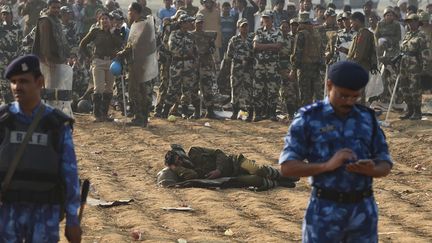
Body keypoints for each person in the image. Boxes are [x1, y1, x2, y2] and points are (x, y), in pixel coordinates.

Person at [279, 61, 393, 243]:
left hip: (362, 211)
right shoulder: (309, 118)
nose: (349, 102)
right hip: (324, 211)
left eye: (354, 97)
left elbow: (385, 164)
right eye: (344, 96)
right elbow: (287, 168)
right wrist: (326, 166)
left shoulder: (367, 118)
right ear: (329, 85)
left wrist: (372, 169)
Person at [0, 55, 81, 242]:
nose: (17, 87)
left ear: (40, 82)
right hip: (8, 211)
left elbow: (69, 172)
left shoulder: (56, 124)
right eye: (13, 82)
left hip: (45, 213)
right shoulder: (3, 121)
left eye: (24, 81)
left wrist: (72, 219)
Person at [158, 144, 298, 191]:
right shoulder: (188, 171)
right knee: (255, 180)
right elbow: (193, 177)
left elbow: (219, 153)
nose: (182, 161)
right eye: (178, 163)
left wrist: (218, 169)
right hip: (232, 175)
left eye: (180, 158)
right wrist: (177, 169)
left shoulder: (195, 151)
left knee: (258, 170)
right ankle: (279, 183)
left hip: (235, 162)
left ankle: (282, 175)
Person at [117, 2, 158, 127]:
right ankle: (142, 117)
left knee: (137, 91)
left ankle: (140, 117)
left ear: (135, 11)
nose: (128, 14)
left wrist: (122, 53)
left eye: (129, 11)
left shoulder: (140, 25)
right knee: (143, 91)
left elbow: (134, 45)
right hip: (143, 63)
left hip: (139, 64)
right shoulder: (143, 24)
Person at [79, 12, 123, 122]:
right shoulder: (95, 32)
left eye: (106, 19)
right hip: (98, 61)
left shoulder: (116, 32)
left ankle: (105, 114)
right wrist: (89, 56)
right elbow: (82, 44)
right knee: (98, 88)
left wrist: (113, 33)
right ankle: (97, 114)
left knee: (109, 89)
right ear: (99, 21)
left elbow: (120, 45)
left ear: (110, 21)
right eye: (102, 19)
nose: (104, 21)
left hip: (111, 62)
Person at [161, 14, 199, 119]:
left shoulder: (191, 36)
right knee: (173, 88)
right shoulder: (174, 34)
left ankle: (185, 111)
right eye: (188, 22)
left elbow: (195, 51)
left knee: (187, 89)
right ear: (182, 23)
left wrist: (195, 60)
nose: (190, 24)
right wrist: (187, 52)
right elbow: (172, 49)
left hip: (188, 65)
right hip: (177, 65)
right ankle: (165, 110)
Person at [252, 10, 283, 122]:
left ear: (272, 19)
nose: (265, 20)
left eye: (268, 18)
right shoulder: (259, 31)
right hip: (259, 66)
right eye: (264, 18)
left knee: (272, 90)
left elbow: (278, 46)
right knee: (258, 90)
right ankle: (258, 113)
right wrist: (271, 46)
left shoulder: (278, 32)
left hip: (272, 66)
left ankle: (272, 113)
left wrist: (264, 45)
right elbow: (256, 46)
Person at [290, 12, 323, 107]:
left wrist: (293, 69)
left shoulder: (301, 34)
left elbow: (298, 53)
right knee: (317, 95)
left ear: (301, 23)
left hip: (304, 68)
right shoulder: (316, 34)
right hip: (316, 68)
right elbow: (321, 51)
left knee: (305, 96)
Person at [398, 13, 427, 120]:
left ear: (417, 23)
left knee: (414, 88)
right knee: (404, 87)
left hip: (415, 64)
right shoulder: (408, 34)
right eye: (408, 22)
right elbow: (403, 49)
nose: (410, 24)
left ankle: (417, 112)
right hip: (404, 63)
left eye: (412, 22)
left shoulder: (421, 35)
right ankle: (410, 110)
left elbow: (425, 53)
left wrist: (424, 68)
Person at [225, 18, 254, 121]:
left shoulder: (252, 38)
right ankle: (235, 112)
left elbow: (255, 53)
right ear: (238, 28)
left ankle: (250, 113)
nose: (245, 28)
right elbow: (229, 55)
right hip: (236, 67)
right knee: (235, 88)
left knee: (248, 89)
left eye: (246, 26)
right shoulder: (234, 40)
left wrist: (249, 59)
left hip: (248, 67)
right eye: (242, 26)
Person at [192, 14, 217, 119]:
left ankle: (210, 111)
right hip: (194, 65)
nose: (200, 25)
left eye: (201, 23)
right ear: (195, 24)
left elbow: (213, 49)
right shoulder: (190, 36)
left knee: (207, 88)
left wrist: (207, 50)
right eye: (198, 23)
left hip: (205, 65)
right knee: (193, 88)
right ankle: (197, 111)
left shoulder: (208, 36)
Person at [0, 5, 22, 104]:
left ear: (11, 15)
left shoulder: (17, 28)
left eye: (7, 14)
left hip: (15, 60)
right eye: (3, 14)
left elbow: (20, 44)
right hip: (2, 61)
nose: (5, 16)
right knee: (4, 86)